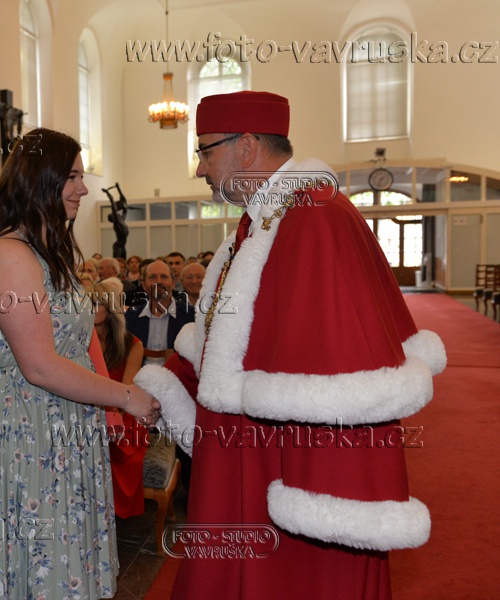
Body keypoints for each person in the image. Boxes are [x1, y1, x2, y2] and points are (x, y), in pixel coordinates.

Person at [133, 91, 445, 600]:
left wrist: (319, 496)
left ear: (246, 147)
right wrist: (166, 386)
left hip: (279, 465)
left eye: (205, 152)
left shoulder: (317, 217)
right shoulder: (261, 222)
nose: (200, 169)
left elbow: (342, 376)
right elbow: (223, 342)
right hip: (243, 454)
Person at [0, 128, 159, 600]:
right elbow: (41, 366)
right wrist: (126, 397)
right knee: (34, 559)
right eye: (72, 177)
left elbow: (79, 342)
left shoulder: (51, 251)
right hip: (26, 428)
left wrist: (106, 407)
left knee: (65, 560)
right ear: (39, 179)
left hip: (63, 423)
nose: (83, 189)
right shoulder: (10, 254)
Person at [90, 280, 146, 519]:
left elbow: (126, 393)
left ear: (111, 308)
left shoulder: (132, 344)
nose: (91, 308)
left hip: (120, 413)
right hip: (88, 409)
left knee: (111, 443)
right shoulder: (77, 342)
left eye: (97, 303)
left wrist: (106, 419)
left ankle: (109, 512)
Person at [125, 260, 194, 366]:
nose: (158, 281)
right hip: (137, 375)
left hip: (176, 375)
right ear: (143, 285)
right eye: (152, 277)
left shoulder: (191, 316)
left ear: (173, 283)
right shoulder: (130, 317)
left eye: (164, 277)